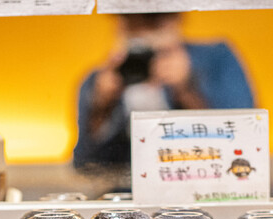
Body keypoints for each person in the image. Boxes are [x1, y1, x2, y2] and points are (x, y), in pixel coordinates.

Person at [73, 12, 254, 171]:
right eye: (131, 21)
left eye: (153, 20)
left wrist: (186, 90)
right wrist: (102, 105)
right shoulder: (105, 76)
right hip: (126, 190)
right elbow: (84, 164)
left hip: (204, 182)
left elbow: (246, 139)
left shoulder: (216, 59)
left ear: (176, 18)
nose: (143, 31)